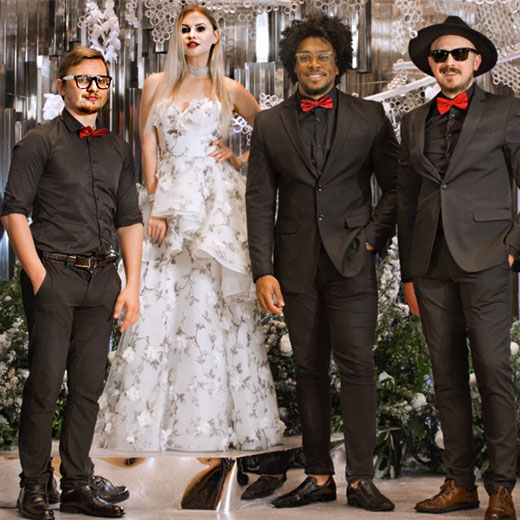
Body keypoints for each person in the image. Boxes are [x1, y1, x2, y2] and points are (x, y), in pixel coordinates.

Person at [94, 5, 284, 453]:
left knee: (210, 301)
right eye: (184, 29)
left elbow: (272, 133)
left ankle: (210, 420)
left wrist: (238, 158)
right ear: (177, 37)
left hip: (214, 205)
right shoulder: (156, 83)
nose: (192, 35)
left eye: (200, 28)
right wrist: (156, 203)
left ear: (215, 36)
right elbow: (147, 141)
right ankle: (154, 422)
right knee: (162, 304)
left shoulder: (228, 87)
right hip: (167, 202)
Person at [245, 13, 399, 511]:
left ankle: (361, 479)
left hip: (353, 261)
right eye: (305, 57)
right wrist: (263, 269)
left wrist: (371, 240)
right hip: (295, 265)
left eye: (323, 56)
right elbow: (258, 200)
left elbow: (397, 188)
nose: (314, 64)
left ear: (338, 63)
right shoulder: (269, 124)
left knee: (357, 366)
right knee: (308, 369)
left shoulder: (370, 117)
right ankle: (317, 476)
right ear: (292, 65)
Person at [1, 46, 143, 520]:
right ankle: (33, 485)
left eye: (101, 80)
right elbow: (13, 211)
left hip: (103, 279)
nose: (93, 88)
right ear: (62, 86)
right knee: (45, 386)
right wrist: (39, 276)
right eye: (83, 80)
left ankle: (78, 484)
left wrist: (132, 285)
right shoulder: (38, 142)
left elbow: (130, 219)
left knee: (87, 388)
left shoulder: (117, 147)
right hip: (55, 275)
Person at [398, 16, 518, 520]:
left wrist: (513, 247)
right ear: (431, 64)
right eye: (440, 55)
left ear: (476, 61)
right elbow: (406, 200)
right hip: (430, 264)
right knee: (445, 378)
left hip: (488, 258)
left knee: (492, 371)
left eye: (459, 54)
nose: (449, 62)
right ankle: (460, 483)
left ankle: (501, 488)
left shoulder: (508, 111)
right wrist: (408, 273)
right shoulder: (412, 122)